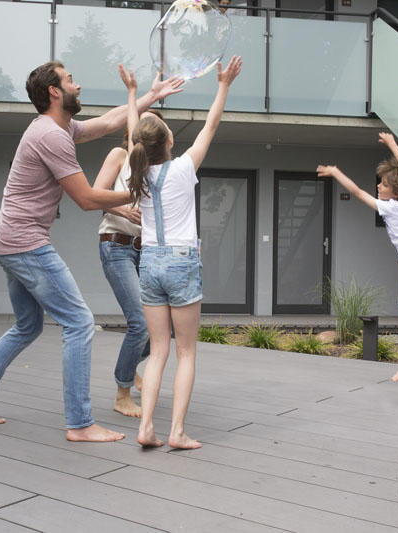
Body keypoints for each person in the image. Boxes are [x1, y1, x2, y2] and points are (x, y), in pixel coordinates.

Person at [0, 61, 184, 443]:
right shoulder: (51, 136)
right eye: (71, 80)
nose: (79, 85)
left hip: (10, 240)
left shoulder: (58, 128)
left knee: (27, 326)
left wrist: (150, 97)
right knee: (79, 323)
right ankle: (80, 423)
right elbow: (87, 199)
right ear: (55, 92)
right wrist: (141, 193)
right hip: (25, 243)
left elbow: (107, 123)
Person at [120, 56, 243, 449]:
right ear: (169, 142)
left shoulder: (137, 173)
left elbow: (132, 136)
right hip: (181, 261)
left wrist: (133, 94)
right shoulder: (184, 168)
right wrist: (223, 85)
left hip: (149, 261)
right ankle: (176, 432)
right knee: (186, 353)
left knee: (158, 351)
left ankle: (146, 428)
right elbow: (211, 125)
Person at [316, 132, 398, 382]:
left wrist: (336, 172)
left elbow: (358, 192)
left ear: (396, 192)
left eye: (383, 185)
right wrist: (393, 144)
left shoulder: (389, 207)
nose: (378, 186)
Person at [94, 108, 165, 418]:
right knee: (140, 321)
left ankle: (130, 365)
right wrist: (123, 210)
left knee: (161, 325)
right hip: (117, 246)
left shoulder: (157, 169)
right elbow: (95, 195)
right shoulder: (119, 155)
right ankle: (122, 393)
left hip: (146, 250)